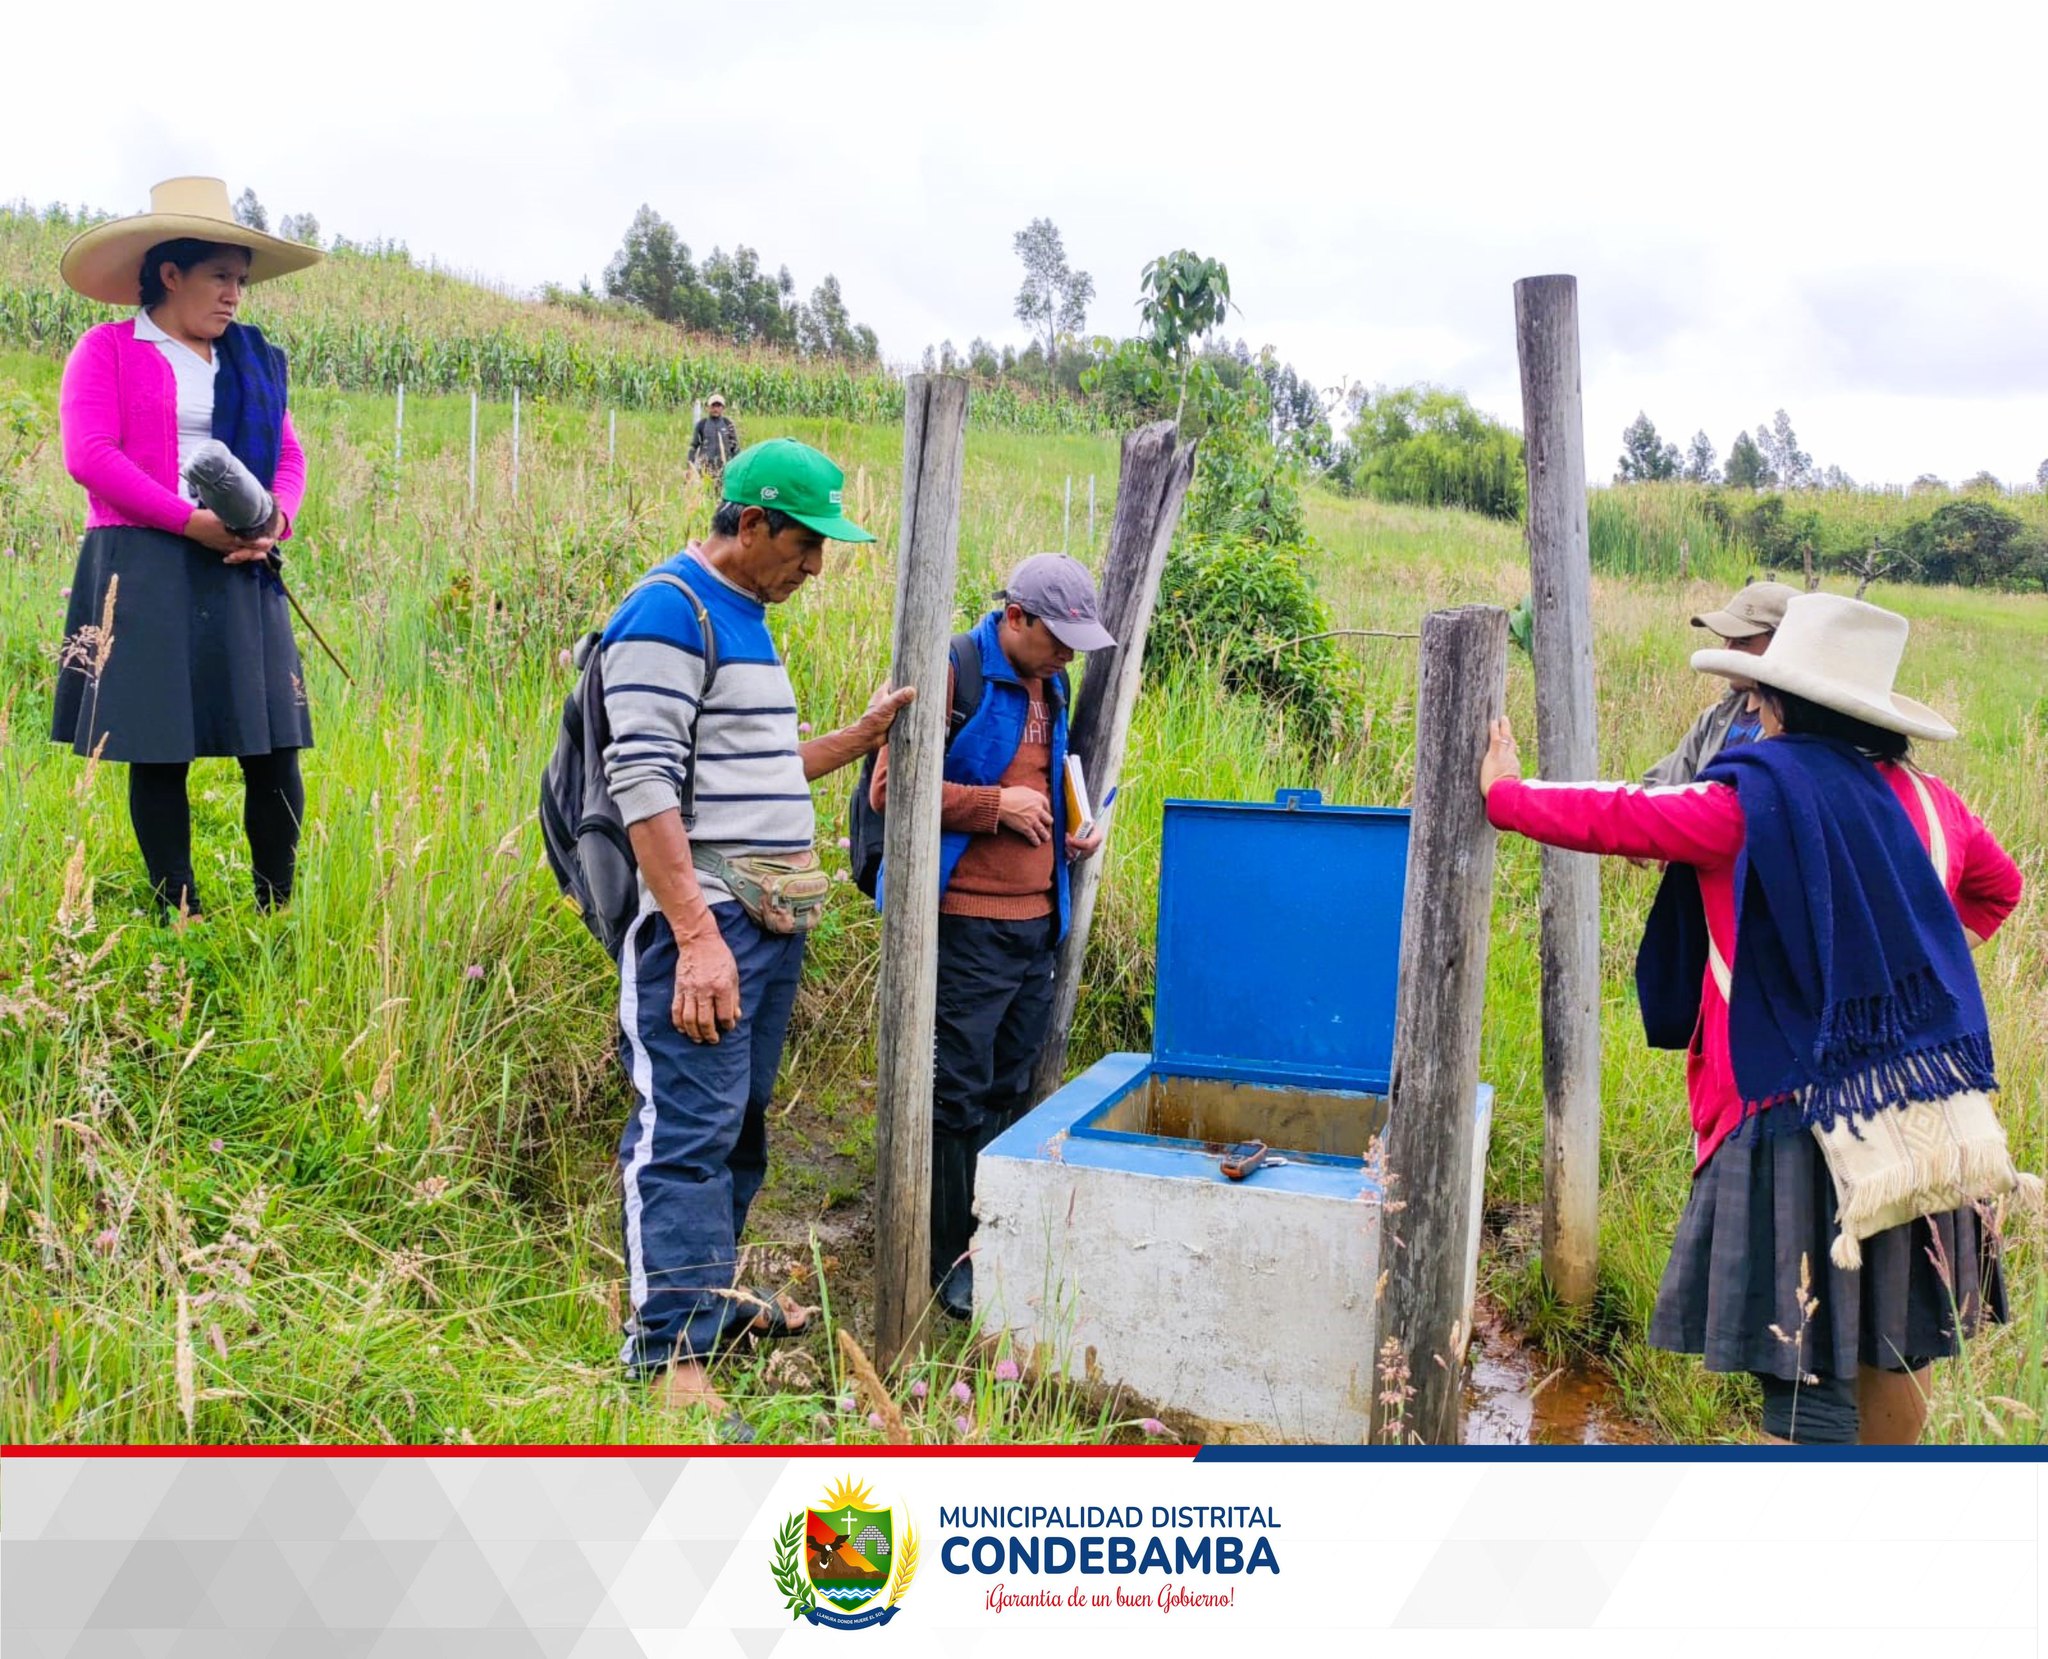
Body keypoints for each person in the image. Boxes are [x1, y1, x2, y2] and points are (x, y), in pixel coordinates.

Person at [1482, 593, 2026, 1445]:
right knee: (1897, 1348)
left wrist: (1504, 793)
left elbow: (1620, 814)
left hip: (1797, 1127)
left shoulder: (1751, 804)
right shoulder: (1931, 803)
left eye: (1759, 696)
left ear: (1779, 704)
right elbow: (2000, 887)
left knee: (1806, 1387)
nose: (1753, 711)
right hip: (1921, 1116)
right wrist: (1894, 972)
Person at [601, 437, 912, 1422]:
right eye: (805, 543)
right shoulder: (668, 610)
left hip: (766, 920)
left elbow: (756, 769)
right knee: (686, 1129)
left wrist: (857, 740)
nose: (816, 567)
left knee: (737, 1125)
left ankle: (707, 1299)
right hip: (710, 922)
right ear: (750, 524)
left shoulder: (745, 615)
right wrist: (693, 936)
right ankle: (667, 1364)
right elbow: (641, 780)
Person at [51, 177, 324, 918]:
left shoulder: (252, 362)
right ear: (170, 274)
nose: (235, 295)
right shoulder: (107, 351)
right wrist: (184, 520)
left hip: (242, 562)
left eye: (241, 279)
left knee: (271, 748)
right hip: (143, 561)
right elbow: (91, 454)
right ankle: (180, 911)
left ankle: (278, 908)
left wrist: (273, 524)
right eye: (219, 277)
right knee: (159, 745)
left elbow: (290, 460)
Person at [868, 553, 1112, 1318]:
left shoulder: (1054, 684)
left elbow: (1041, 780)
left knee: (1010, 1087)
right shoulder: (952, 670)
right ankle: (946, 1259)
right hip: (967, 927)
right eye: (1059, 637)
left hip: (1037, 926)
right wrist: (992, 807)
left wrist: (1069, 832)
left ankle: (989, 1239)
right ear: (1016, 617)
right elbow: (888, 790)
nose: (1069, 653)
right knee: (958, 1095)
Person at [1642, 580, 1800, 786]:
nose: (1727, 653)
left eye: (1743, 641)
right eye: (1726, 640)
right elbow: (1662, 783)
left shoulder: (1794, 729)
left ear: (1783, 645)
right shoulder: (1715, 717)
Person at [688, 394, 739, 478]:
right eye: (713, 406)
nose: (716, 409)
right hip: (706, 468)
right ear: (708, 407)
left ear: (723, 408)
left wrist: (736, 466)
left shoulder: (727, 423)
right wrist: (690, 464)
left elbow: (735, 447)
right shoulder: (702, 424)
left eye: (719, 406)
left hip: (725, 467)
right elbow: (694, 446)